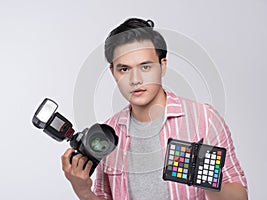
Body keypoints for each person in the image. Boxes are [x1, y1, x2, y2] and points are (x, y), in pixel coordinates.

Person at [61, 18, 248, 200]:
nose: (135, 80)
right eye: (124, 69)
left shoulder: (203, 119)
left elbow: (239, 196)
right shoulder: (107, 134)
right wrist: (83, 192)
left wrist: (197, 172)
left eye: (145, 66)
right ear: (113, 73)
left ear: (162, 66)